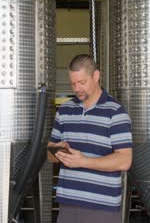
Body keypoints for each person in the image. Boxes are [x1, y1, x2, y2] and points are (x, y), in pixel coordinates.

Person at [48, 54, 133, 223]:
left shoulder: (115, 112)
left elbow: (124, 160)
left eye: (82, 82)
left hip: (102, 207)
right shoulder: (64, 111)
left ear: (96, 76)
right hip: (68, 203)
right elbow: (49, 154)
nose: (77, 89)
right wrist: (58, 150)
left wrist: (83, 161)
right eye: (73, 83)